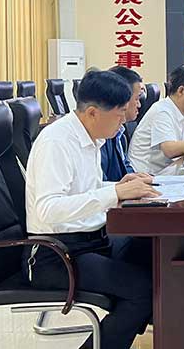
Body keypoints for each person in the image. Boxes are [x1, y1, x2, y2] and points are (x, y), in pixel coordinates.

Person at [24, 70, 160, 349]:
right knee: (142, 290)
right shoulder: (57, 142)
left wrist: (117, 185)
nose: (123, 121)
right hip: (55, 254)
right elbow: (49, 208)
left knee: (154, 255)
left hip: (91, 241)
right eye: (119, 114)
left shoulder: (90, 137)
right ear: (93, 113)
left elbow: (85, 188)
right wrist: (114, 193)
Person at [100, 66, 144, 182]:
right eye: (137, 99)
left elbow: (125, 167)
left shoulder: (119, 133)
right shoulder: (101, 134)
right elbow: (100, 183)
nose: (139, 105)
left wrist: (136, 178)